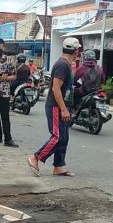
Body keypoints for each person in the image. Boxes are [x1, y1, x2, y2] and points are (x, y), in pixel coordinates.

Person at [27, 37, 80, 177]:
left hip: (62, 105)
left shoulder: (66, 64)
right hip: (56, 106)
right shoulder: (62, 65)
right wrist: (63, 109)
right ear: (76, 51)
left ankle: (59, 165)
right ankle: (36, 158)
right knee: (57, 137)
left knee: (64, 137)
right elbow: (56, 89)